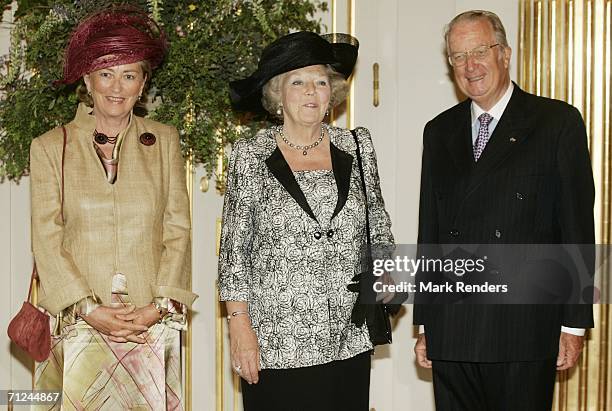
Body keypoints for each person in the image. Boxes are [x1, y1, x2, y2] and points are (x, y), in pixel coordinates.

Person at [413, 10, 594, 411]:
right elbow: (431, 230)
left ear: (505, 54)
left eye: (479, 51)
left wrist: (574, 322)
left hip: (524, 327)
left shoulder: (556, 123)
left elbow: (577, 228)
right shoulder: (438, 131)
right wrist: (425, 323)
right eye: (457, 56)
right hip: (454, 328)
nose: (469, 65)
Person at [30, 7, 197, 410]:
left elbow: (178, 229)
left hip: (149, 326)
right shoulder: (50, 147)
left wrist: (157, 308)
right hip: (77, 326)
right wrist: (89, 309)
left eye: (129, 74)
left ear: (143, 84)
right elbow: (47, 238)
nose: (116, 87)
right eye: (106, 73)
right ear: (87, 80)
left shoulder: (166, 141)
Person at [219, 31, 394, 411]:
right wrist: (239, 325)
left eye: (320, 81)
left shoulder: (357, 145)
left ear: (332, 91)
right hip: (278, 340)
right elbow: (235, 251)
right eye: (297, 82)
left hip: (349, 335)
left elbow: (378, 222)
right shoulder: (251, 154)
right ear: (277, 94)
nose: (311, 92)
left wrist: (384, 279)